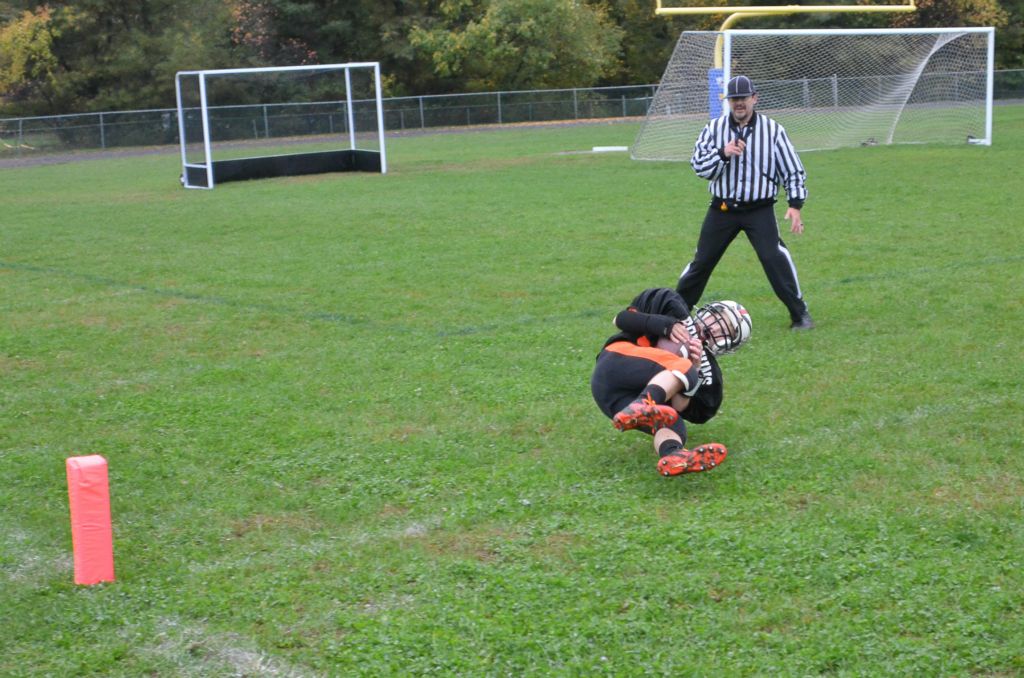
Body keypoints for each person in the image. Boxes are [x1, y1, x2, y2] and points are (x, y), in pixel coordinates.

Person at [676, 75, 815, 330]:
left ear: (754, 98)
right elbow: (699, 167)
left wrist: (795, 204)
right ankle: (675, 314)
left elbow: (792, 170)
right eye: (734, 99)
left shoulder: (773, 130)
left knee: (774, 257)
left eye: (743, 98)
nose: (739, 103)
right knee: (702, 262)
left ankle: (800, 314)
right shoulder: (713, 129)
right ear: (728, 102)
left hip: (759, 209)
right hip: (723, 208)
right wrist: (723, 153)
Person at [590, 287, 752, 477]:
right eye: (720, 319)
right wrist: (666, 325)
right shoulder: (672, 306)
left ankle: (674, 455)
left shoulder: (710, 376)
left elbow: (678, 406)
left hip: (609, 397)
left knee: (672, 421)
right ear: (709, 311)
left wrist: (696, 370)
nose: (717, 328)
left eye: (727, 331)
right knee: (683, 366)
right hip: (617, 361)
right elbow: (621, 319)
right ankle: (644, 404)